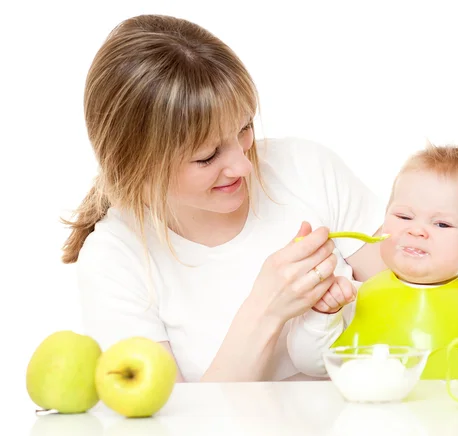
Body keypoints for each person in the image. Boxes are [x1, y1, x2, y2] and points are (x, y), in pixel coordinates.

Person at [61, 14, 388, 383]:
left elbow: (414, 295)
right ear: (138, 162)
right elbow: (173, 430)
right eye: (207, 156)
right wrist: (266, 308)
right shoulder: (115, 259)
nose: (243, 166)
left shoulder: (306, 169)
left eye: (244, 128)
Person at [287, 143, 458, 379]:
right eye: (404, 216)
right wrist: (323, 313)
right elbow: (310, 365)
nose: (417, 230)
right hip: (369, 415)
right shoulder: (354, 299)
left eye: (442, 224)